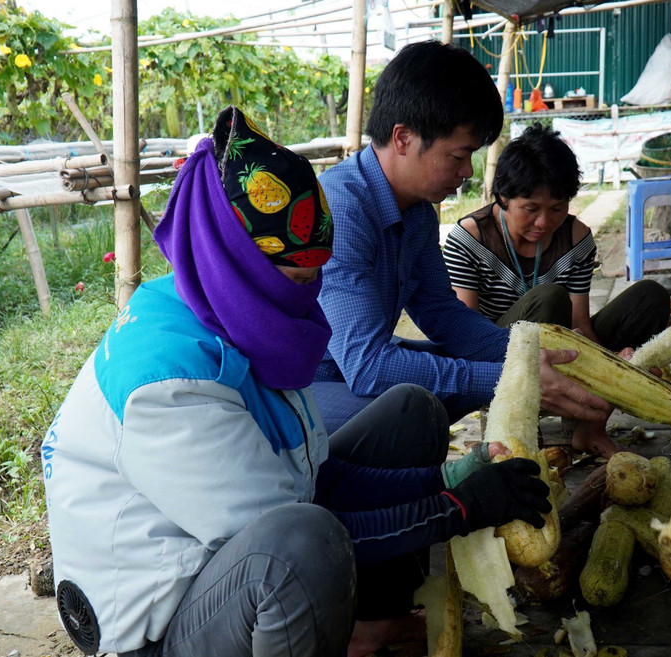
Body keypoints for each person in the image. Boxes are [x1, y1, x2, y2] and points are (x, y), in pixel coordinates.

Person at [40, 107, 551, 657]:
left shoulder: (231, 312)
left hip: (224, 555)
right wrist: (459, 509)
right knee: (304, 547)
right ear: (240, 263)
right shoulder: (168, 385)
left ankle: (369, 626)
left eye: (315, 277)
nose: (308, 297)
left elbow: (317, 478)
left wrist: (451, 476)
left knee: (411, 411)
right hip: (157, 621)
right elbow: (305, 533)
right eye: (298, 279)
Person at [312, 40, 613, 442]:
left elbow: (442, 313)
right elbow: (368, 367)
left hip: (348, 369)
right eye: (458, 156)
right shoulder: (341, 210)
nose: (467, 171)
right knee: (415, 415)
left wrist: (528, 358)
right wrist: (514, 376)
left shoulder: (416, 211)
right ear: (403, 138)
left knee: (462, 376)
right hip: (295, 383)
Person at [442, 123, 671, 456]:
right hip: (499, 358)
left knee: (650, 297)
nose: (544, 223)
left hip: (564, 348)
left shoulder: (575, 238)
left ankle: (588, 426)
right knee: (548, 299)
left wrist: (614, 362)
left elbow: (581, 325)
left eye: (557, 208)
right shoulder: (470, 239)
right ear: (504, 198)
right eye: (531, 209)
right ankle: (516, 426)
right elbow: (466, 332)